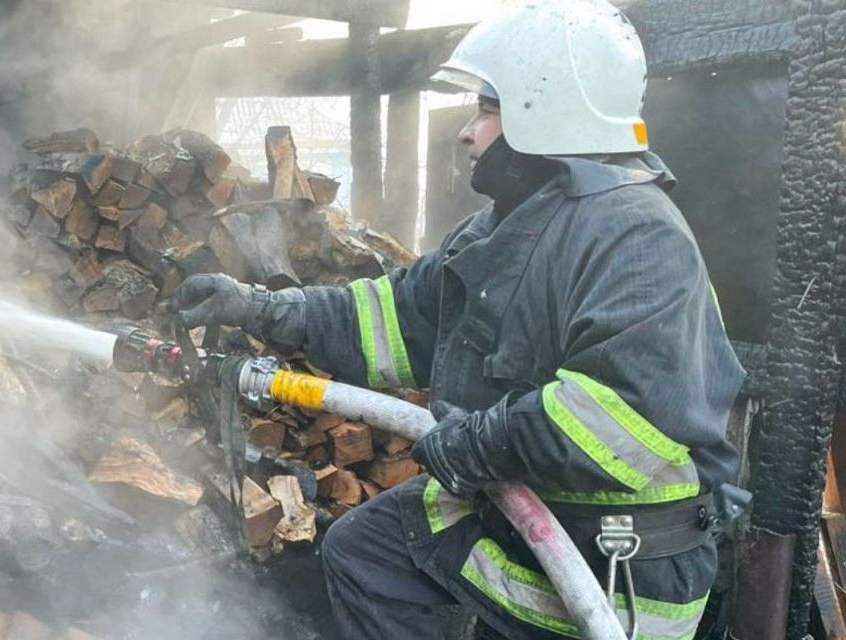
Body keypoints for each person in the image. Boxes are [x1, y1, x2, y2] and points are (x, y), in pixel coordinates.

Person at [169, 1, 745, 638]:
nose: (467, 132)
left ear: (544, 111)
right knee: (365, 547)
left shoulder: (633, 235)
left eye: (487, 109)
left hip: (617, 572)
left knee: (374, 552)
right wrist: (259, 307)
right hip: (526, 522)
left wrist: (473, 443)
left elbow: (621, 421)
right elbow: (391, 316)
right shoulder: (508, 226)